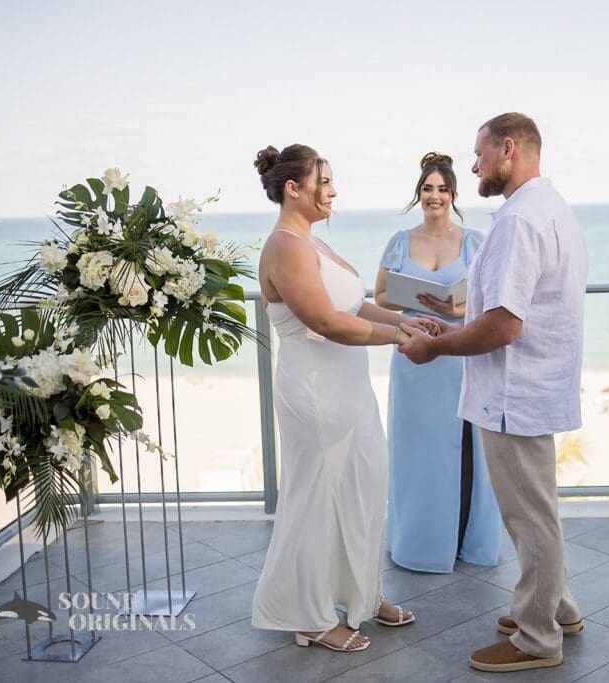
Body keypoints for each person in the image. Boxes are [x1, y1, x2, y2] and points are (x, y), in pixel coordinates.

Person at [398, 113, 588, 673]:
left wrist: (437, 347)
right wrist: (454, 324)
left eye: (479, 154)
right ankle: (558, 609)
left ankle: (537, 638)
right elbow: (506, 309)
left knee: (530, 519)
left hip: (514, 394)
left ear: (509, 149)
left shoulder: (519, 220)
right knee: (539, 512)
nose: (475, 165)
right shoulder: (551, 207)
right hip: (535, 386)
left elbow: (505, 324)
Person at [249, 143, 415, 653]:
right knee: (318, 499)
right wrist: (399, 339)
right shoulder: (285, 247)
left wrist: (407, 322)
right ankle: (310, 617)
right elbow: (325, 322)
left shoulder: (312, 242)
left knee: (363, 485)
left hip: (349, 389)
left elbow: (354, 306)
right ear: (293, 188)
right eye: (324, 182)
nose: (333, 191)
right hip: (315, 392)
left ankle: (364, 595)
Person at [373, 152, 501, 573]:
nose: (435, 196)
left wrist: (452, 307)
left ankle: (466, 541)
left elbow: (489, 299)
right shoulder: (399, 241)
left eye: (442, 189)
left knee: (461, 449)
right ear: (419, 194)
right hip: (412, 356)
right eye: (428, 189)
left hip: (457, 354)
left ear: (453, 195)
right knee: (417, 452)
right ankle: (419, 544)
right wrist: (411, 301)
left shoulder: (474, 241)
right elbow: (380, 296)